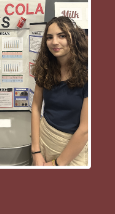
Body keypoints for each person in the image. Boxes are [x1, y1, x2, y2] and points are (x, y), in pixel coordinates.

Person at [30, 16, 89, 166]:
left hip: (73, 147)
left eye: (62, 36)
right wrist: (35, 151)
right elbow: (36, 107)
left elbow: (85, 129)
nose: (54, 42)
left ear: (74, 37)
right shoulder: (45, 68)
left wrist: (57, 164)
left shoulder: (88, 73)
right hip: (44, 138)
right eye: (49, 37)